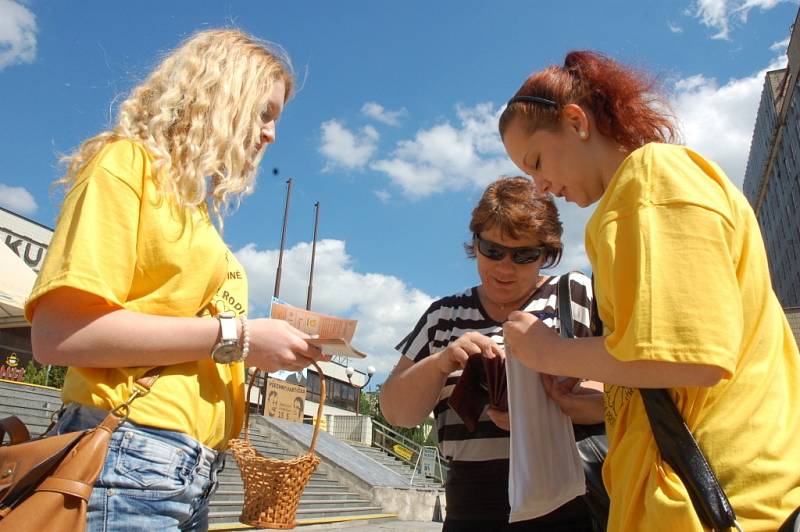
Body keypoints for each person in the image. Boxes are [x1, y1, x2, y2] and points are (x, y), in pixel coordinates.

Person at [25, 29, 327, 530]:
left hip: (184, 469)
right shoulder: (126, 163)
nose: (272, 134)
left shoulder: (197, 212)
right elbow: (58, 334)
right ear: (220, 96)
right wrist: (241, 336)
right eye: (264, 113)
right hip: (131, 456)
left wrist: (257, 350)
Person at [499, 50, 800, 531]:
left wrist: (549, 351)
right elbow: (671, 370)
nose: (539, 186)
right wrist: (593, 400)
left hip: (712, 503)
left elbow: (687, 358)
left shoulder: (651, 178)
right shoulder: (637, 195)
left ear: (576, 122)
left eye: (535, 161)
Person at [380, 176, 597, 532]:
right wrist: (442, 361)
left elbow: (625, 390)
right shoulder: (443, 315)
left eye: (524, 255)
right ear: (475, 244)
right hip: (471, 501)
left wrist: (546, 411)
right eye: (492, 251)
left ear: (547, 253)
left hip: (569, 492)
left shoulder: (575, 294)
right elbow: (396, 412)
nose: (504, 268)